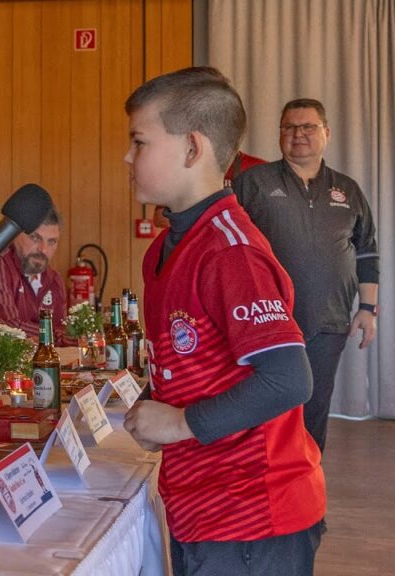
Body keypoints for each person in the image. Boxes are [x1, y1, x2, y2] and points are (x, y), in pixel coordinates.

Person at [121, 68, 325, 574]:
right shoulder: (164, 252)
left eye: (139, 141)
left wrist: (180, 422)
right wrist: (158, 403)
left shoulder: (231, 251)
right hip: (201, 508)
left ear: (192, 149)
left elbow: (288, 378)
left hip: (252, 519)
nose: (127, 157)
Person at [233, 98, 378, 454]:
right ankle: (263, 486)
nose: (298, 134)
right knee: (268, 409)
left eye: (307, 127)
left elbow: (367, 250)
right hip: (266, 321)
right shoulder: (253, 182)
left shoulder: (348, 189)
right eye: (289, 127)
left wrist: (368, 308)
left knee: (313, 408)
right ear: (280, 134)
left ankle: (305, 489)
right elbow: (225, 242)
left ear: (326, 133)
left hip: (329, 322)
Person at [0, 207, 68, 344]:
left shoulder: (55, 280)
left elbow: (62, 328)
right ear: (15, 234)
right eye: (35, 238)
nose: (43, 249)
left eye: (52, 241)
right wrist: (60, 338)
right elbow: (9, 326)